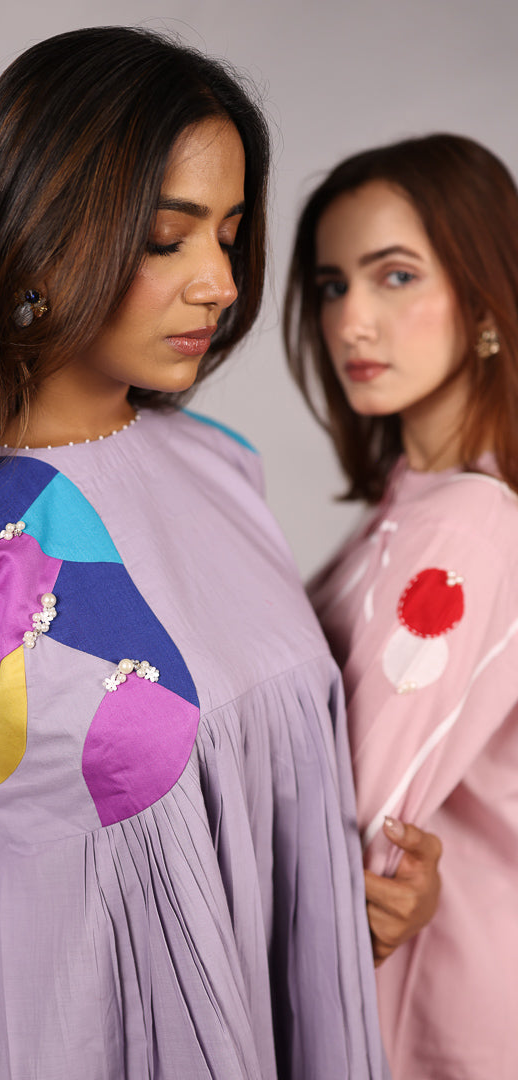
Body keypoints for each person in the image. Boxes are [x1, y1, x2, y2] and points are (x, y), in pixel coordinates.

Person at [0, 27, 386, 1080]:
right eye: (167, 239)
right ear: (34, 238)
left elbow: (247, 835)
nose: (220, 283)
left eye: (231, 235)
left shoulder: (222, 465)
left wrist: (362, 908)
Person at [283, 132, 518, 1079]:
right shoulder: (414, 502)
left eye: (395, 277)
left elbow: (352, 821)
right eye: (332, 285)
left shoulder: (467, 526)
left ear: (486, 299)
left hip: (438, 1010)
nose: (351, 321)